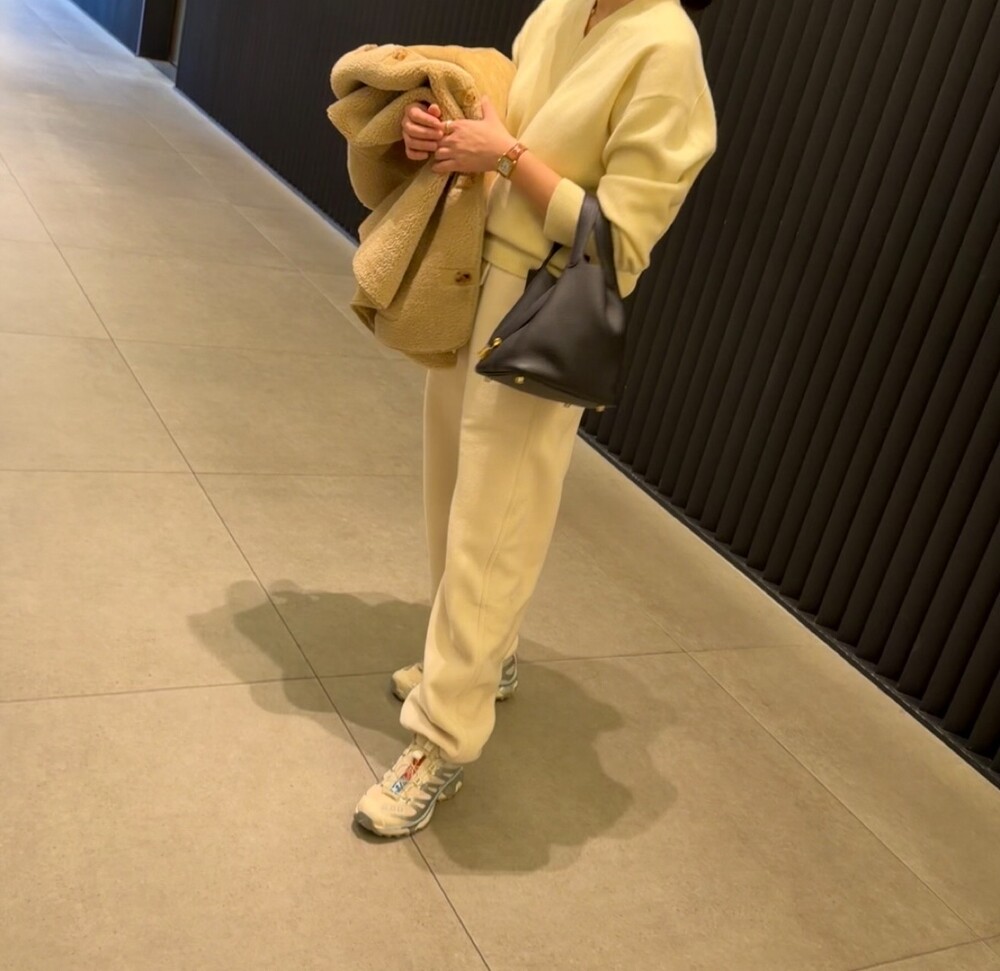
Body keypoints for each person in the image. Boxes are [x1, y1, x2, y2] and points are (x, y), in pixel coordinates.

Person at [354, 0, 718, 838]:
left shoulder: (667, 48)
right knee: (452, 499)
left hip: (539, 304)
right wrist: (445, 136)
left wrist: (508, 158)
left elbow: (620, 243)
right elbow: (497, 118)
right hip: (469, 276)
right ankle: (486, 660)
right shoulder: (562, 7)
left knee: (494, 524)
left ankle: (443, 738)